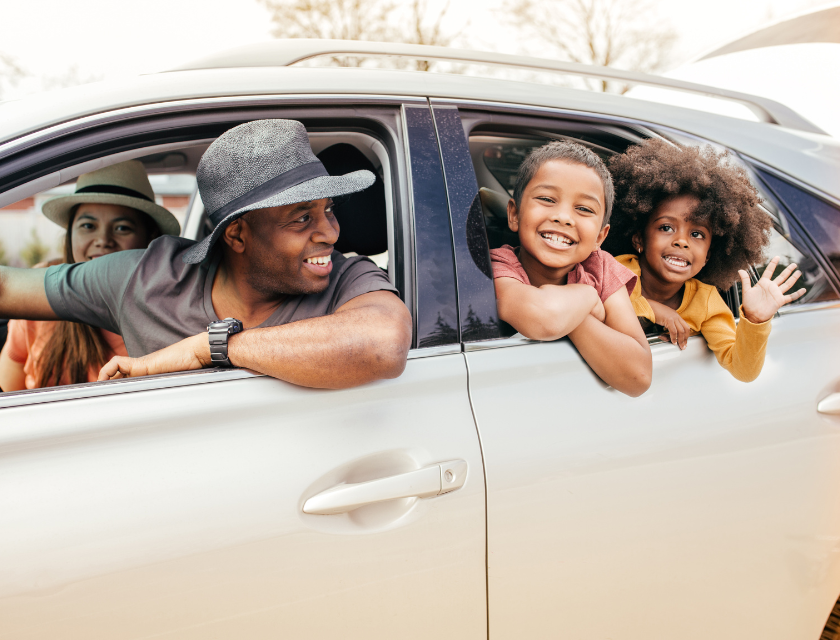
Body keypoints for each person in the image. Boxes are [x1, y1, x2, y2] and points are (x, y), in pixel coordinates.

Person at [0, 119, 412, 389]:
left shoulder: (347, 279)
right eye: (302, 218)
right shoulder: (144, 277)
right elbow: (7, 287)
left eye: (329, 210)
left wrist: (209, 348)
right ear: (236, 235)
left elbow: (383, 343)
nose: (331, 232)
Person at [603, 138, 805, 382]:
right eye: (666, 227)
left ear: (708, 256)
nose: (682, 241)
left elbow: (742, 369)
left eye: (697, 234)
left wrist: (755, 320)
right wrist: (659, 312)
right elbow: (600, 299)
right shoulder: (617, 268)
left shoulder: (706, 301)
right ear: (639, 240)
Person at [490, 140, 652, 397]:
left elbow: (639, 377)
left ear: (600, 237)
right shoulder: (498, 265)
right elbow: (542, 317)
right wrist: (587, 298)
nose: (564, 217)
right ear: (514, 214)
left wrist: (574, 315)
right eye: (546, 199)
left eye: (584, 209)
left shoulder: (600, 266)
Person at [0, 161, 180, 391]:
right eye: (88, 225)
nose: (103, 240)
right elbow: (11, 385)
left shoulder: (167, 307)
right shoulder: (39, 289)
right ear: (70, 234)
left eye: (122, 227)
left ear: (149, 238)